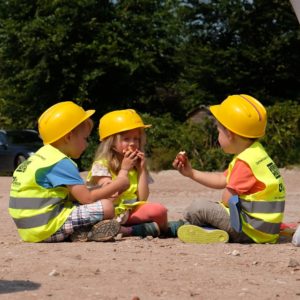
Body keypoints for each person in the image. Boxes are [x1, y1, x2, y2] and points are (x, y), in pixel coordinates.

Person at [9, 101, 131, 243]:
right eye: (85, 138)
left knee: (93, 204)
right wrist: (119, 183)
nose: (87, 144)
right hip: (47, 227)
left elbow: (73, 195)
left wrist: (103, 189)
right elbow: (87, 198)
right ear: (68, 136)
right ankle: (91, 231)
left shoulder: (41, 158)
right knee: (107, 206)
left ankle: (81, 232)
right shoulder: (61, 162)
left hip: (29, 231)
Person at [173, 94, 286, 244]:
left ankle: (188, 227)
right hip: (263, 230)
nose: (218, 136)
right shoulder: (256, 154)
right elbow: (222, 179)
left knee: (198, 207)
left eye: (218, 131)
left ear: (229, 134)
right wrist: (191, 173)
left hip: (249, 230)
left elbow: (226, 199)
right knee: (211, 210)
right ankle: (208, 230)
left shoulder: (245, 163)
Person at [86, 109, 179, 238]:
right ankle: (137, 230)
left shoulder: (136, 164)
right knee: (101, 222)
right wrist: (124, 170)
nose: (132, 143)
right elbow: (110, 196)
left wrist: (141, 170)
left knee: (160, 210)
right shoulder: (101, 165)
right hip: (109, 212)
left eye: (136, 139)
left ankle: (161, 230)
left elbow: (142, 198)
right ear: (111, 143)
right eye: (126, 139)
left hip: (131, 212)